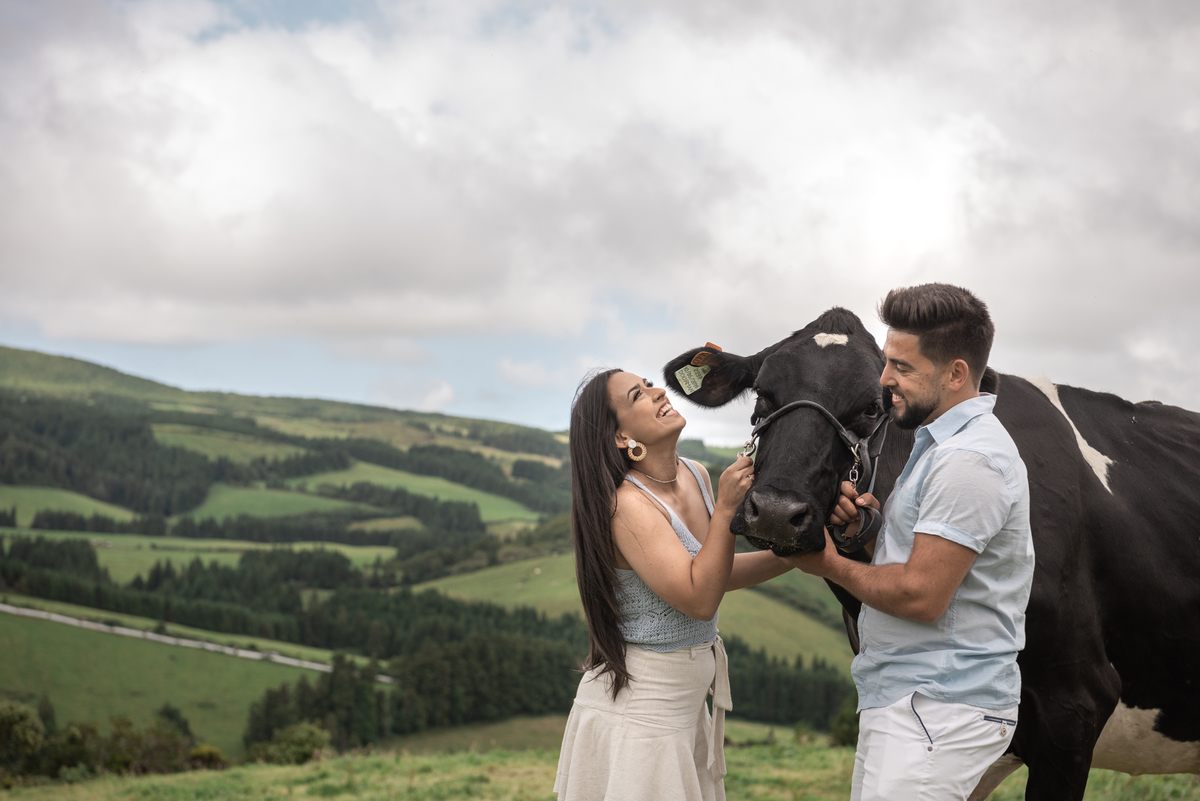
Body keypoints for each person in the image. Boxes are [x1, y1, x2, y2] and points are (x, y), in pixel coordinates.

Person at [789, 284, 1034, 801]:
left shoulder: (967, 462)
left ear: (955, 374)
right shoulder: (941, 446)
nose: (885, 379)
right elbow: (928, 564)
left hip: (936, 708)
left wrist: (828, 562)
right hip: (914, 702)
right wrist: (866, 535)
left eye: (902, 366)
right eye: (887, 361)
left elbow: (922, 596)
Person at [554, 368, 794, 801]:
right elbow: (700, 600)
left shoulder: (694, 474)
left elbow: (713, 575)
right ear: (621, 437)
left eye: (649, 384)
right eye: (638, 395)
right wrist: (726, 510)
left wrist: (796, 555)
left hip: (686, 711)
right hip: (642, 717)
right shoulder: (627, 506)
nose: (658, 392)